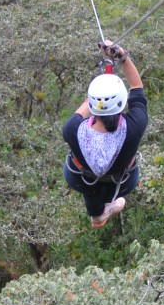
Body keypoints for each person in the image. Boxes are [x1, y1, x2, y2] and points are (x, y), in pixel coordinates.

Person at [62, 40, 146, 227]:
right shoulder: (134, 127)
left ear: (93, 103)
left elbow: (86, 106)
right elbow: (137, 87)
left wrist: (98, 92)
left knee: (89, 181)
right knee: (104, 182)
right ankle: (103, 211)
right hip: (122, 182)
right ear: (122, 101)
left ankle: (97, 215)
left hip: (79, 179)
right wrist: (121, 55)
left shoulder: (72, 129)